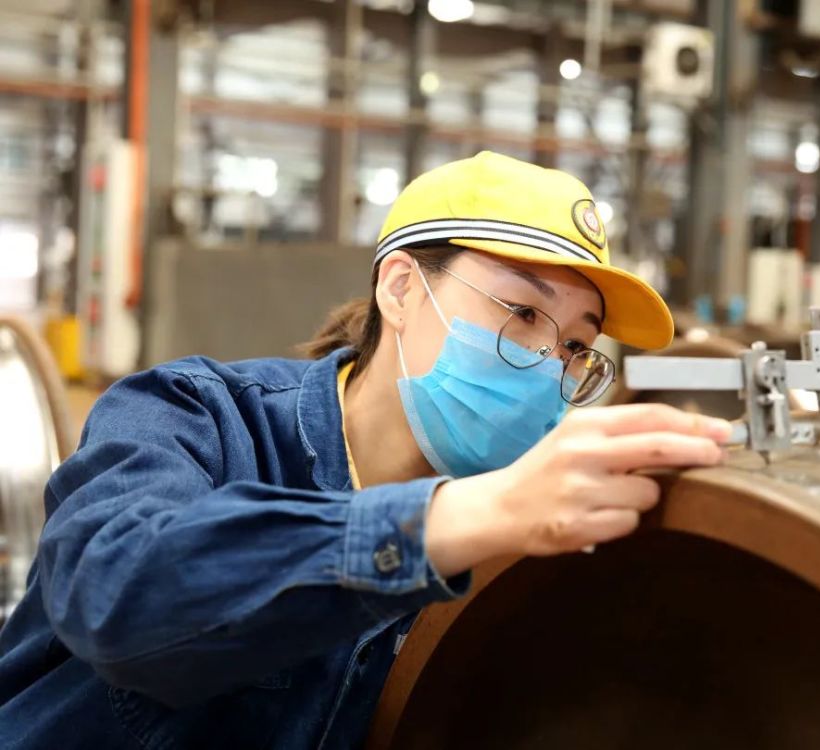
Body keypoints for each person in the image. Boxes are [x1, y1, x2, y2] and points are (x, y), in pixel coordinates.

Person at [0, 151, 731, 749]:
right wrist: (451, 522)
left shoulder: (524, 549)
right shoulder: (195, 417)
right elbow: (117, 595)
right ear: (402, 288)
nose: (548, 363)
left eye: (576, 345)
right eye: (523, 313)